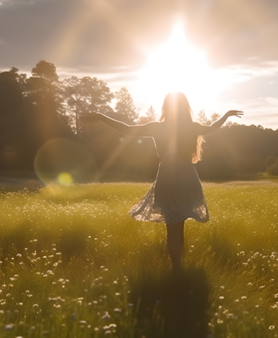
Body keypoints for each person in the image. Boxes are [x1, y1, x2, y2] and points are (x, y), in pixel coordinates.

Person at [84, 92, 243, 270]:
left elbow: (127, 128)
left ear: (165, 107)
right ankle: (178, 267)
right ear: (185, 107)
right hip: (187, 176)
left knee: (172, 225)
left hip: (167, 176)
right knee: (180, 223)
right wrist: (227, 115)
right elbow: (213, 127)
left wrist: (101, 117)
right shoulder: (191, 127)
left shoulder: (158, 128)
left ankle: (176, 267)